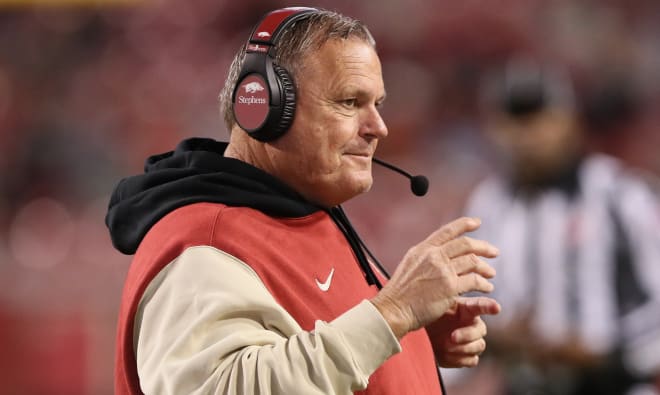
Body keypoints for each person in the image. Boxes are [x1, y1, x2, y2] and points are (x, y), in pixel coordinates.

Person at [105, 7, 501, 395]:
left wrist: (410, 341)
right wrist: (394, 314)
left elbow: (313, 349)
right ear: (263, 106)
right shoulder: (207, 241)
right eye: (349, 102)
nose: (378, 127)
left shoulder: (301, 214)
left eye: (377, 104)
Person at [460, 56, 660, 395]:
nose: (526, 135)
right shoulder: (487, 204)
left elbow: (655, 302)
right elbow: (468, 305)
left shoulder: (620, 195)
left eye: (538, 118)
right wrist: (498, 337)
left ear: (569, 120)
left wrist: (603, 356)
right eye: (514, 120)